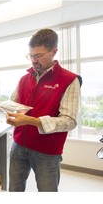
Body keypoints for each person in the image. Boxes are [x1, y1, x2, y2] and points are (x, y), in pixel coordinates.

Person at [6, 28, 81, 192]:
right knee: (14, 190)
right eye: (31, 56)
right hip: (18, 146)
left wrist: (30, 121)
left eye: (38, 56)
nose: (33, 60)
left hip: (47, 153)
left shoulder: (69, 80)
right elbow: (13, 104)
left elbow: (69, 121)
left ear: (54, 51)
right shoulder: (24, 78)